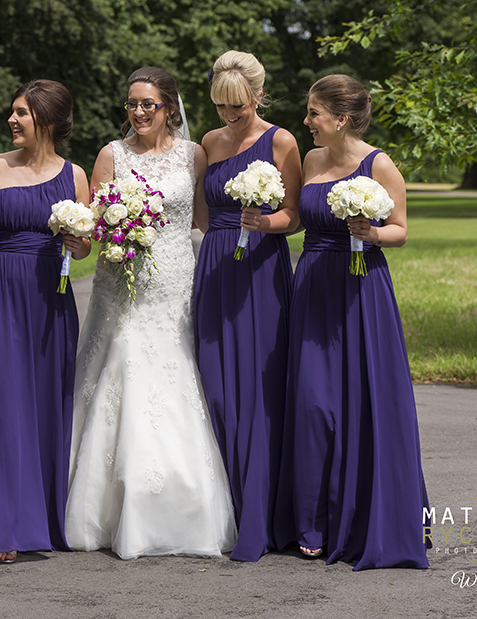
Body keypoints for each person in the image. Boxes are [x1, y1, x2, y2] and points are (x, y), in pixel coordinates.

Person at [65, 67, 236, 560]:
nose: (138, 113)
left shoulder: (193, 154)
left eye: (148, 105)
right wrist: (118, 230)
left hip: (175, 284)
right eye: (132, 104)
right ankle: (105, 509)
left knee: (174, 376)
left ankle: (178, 508)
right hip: (122, 285)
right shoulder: (111, 155)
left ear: (170, 108)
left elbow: (202, 220)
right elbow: (94, 222)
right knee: (118, 370)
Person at [276, 74, 430, 569]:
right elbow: (298, 216)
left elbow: (402, 230)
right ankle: (311, 520)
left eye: (314, 114)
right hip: (313, 286)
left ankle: (363, 518)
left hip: (362, 292)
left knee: (364, 400)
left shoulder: (379, 163)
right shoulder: (312, 158)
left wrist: (372, 232)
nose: (306, 122)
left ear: (340, 119)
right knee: (312, 404)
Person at [0, 80, 91, 564]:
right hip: (0, 291)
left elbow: (86, 243)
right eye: (13, 112)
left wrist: (77, 244)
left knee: (43, 401)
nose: (12, 120)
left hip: (51, 297)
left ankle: (39, 518)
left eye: (22, 113)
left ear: (46, 120)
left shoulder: (75, 176)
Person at [191, 51, 302, 562]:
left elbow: (296, 215)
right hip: (216, 265)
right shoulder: (209, 144)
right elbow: (200, 215)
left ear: (257, 97)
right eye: (220, 107)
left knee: (260, 385)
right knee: (215, 381)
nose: (228, 117)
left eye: (236, 107)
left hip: (261, 268)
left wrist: (266, 223)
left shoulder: (281, 140)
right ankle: (224, 507)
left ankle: (263, 511)